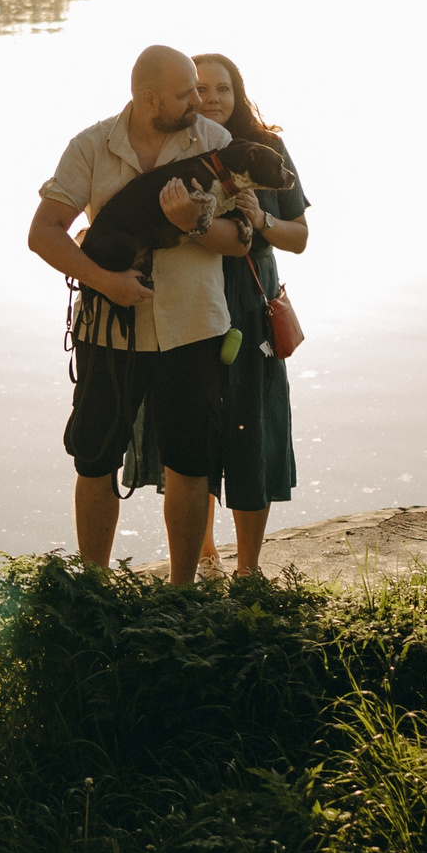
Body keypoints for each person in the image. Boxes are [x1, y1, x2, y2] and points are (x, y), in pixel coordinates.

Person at [28, 44, 251, 584]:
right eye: (183, 94)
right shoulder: (90, 146)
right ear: (149, 98)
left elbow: (242, 241)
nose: (197, 101)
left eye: (199, 90)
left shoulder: (215, 143)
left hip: (194, 328)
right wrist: (106, 281)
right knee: (95, 458)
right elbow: (43, 233)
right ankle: (94, 587)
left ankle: (181, 593)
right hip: (108, 330)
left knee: (190, 462)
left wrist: (194, 223)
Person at [123, 53, 311, 576]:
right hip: (187, 306)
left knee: (254, 434)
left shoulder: (266, 149)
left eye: (222, 89)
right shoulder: (175, 149)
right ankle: (204, 560)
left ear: (238, 93)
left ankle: (248, 569)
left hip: (249, 306)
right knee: (193, 436)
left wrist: (262, 218)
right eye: (199, 90)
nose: (211, 100)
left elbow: (299, 237)